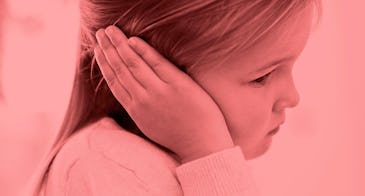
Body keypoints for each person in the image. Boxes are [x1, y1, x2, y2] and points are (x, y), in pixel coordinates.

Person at [24, 0, 321, 195]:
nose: (292, 97)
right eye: (262, 76)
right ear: (153, 71)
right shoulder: (111, 169)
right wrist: (208, 153)